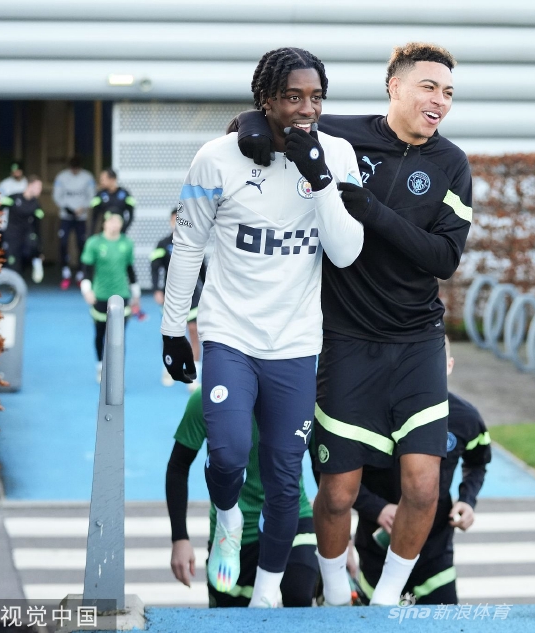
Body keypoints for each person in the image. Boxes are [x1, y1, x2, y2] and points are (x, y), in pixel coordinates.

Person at [235, 41, 473, 607]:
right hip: (346, 340)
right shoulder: (342, 134)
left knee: (424, 487)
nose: (439, 100)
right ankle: (338, 596)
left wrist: (374, 213)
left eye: (448, 92)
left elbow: (444, 258)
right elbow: (274, 117)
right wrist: (249, 127)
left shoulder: (452, 164)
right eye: (428, 87)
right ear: (395, 87)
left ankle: (386, 599)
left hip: (417, 341)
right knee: (338, 494)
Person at [160, 46, 364, 609]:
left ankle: (267, 591)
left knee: (283, 476)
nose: (307, 109)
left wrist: (320, 179)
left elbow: (346, 253)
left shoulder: (337, 155)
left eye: (316, 97)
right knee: (227, 455)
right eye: (293, 97)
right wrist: (173, 329)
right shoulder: (216, 158)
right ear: (266, 100)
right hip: (230, 333)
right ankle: (227, 518)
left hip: (295, 342)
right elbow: (187, 245)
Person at [352, 336, 490, 605]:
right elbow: (334, 478)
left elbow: (477, 462)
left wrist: (467, 500)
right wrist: (377, 508)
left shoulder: (465, 418)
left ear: (449, 366)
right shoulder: (368, 415)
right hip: (376, 552)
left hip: (434, 557)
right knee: (376, 621)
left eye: (434, 365)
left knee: (443, 622)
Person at [166, 387, 319, 607]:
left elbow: (324, 469)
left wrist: (339, 545)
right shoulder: (207, 397)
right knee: (232, 617)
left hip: (293, 517)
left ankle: (320, 579)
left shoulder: (300, 394)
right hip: (234, 537)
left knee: (299, 593)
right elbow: (178, 467)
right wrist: (180, 539)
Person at [79, 212, 141, 383]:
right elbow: (87, 269)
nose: (114, 224)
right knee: (100, 333)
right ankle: (100, 366)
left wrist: (136, 294)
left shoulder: (127, 243)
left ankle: (116, 373)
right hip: (100, 295)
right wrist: (87, 290)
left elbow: (130, 269)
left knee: (118, 337)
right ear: (104, 223)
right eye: (111, 221)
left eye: (118, 221)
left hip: (121, 296)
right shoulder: (94, 243)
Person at [150, 207, 204, 390]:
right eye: (174, 220)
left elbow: (203, 269)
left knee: (194, 331)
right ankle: (169, 368)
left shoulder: (194, 242)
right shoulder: (163, 244)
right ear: (170, 222)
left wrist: (207, 290)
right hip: (171, 296)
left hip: (193, 296)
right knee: (171, 335)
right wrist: (157, 289)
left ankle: (194, 374)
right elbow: (155, 268)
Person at [53, 155, 95, 290]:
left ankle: (80, 274)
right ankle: (65, 273)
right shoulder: (62, 177)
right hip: (66, 217)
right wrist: (67, 208)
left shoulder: (87, 177)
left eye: (76, 168)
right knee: (63, 243)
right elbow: (57, 196)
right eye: (73, 168)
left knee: (82, 244)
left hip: (81, 217)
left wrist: (83, 208)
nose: (74, 170)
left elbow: (92, 196)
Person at [0, 175, 45, 283]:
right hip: (12, 236)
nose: (40, 190)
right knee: (13, 263)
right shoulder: (13, 198)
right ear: (30, 186)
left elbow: (38, 226)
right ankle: (14, 285)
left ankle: (36, 261)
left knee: (32, 243)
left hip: (27, 236)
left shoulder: (36, 205)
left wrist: (40, 250)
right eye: (38, 187)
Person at [91, 169, 136, 234]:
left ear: (112, 179)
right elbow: (94, 216)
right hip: (104, 233)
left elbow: (131, 214)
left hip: (120, 232)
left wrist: (124, 228)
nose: (101, 182)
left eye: (103, 179)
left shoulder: (125, 194)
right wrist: (92, 233)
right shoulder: (99, 195)